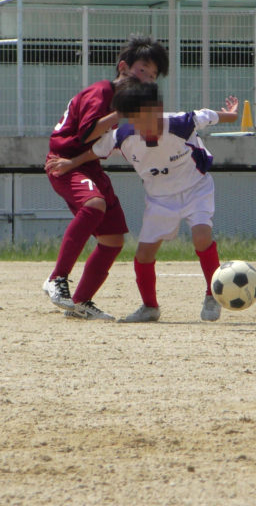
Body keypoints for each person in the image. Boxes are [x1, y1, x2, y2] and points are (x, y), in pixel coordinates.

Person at [49, 79, 238, 323]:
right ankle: (150, 307)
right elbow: (94, 151)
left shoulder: (181, 122)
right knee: (144, 254)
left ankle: (212, 294)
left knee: (201, 236)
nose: (143, 126)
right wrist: (71, 163)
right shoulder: (123, 135)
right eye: (136, 120)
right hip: (159, 199)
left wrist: (232, 114)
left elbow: (213, 116)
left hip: (195, 189)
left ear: (159, 109)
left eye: (148, 118)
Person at [42, 35, 168, 321]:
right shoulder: (101, 92)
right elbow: (86, 134)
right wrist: (122, 112)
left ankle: (81, 302)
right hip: (64, 164)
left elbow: (104, 146)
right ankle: (56, 278)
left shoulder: (126, 106)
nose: (147, 79)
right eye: (142, 70)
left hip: (87, 166)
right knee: (95, 204)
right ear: (123, 67)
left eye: (153, 75)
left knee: (113, 239)